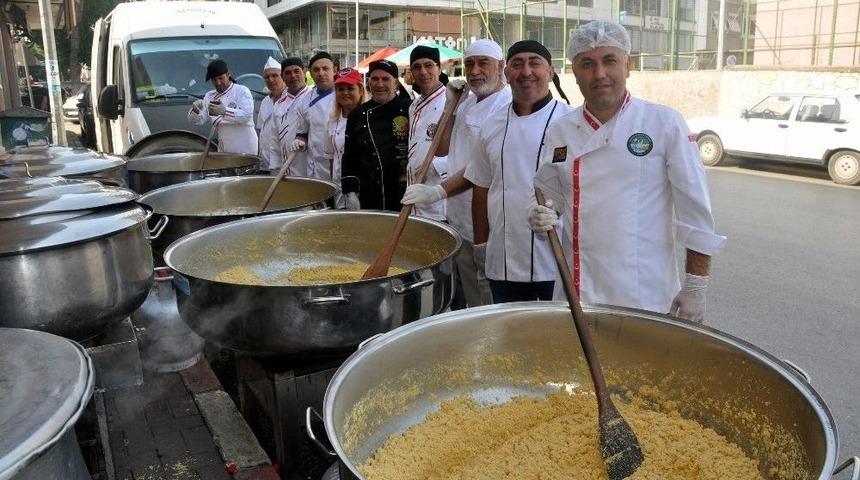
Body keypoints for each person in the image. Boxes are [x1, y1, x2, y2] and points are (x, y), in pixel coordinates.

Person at [527, 21, 726, 322]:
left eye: (609, 61)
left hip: (644, 297)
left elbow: (695, 213)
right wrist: (540, 214)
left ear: (628, 65)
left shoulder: (664, 123)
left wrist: (696, 287)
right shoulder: (561, 131)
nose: (599, 74)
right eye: (587, 64)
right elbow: (547, 195)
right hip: (576, 293)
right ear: (574, 72)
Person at [401, 39, 510, 308]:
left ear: (501, 67)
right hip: (458, 213)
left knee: (489, 299)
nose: (474, 71)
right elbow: (445, 147)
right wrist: (450, 108)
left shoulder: (505, 106)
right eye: (470, 64)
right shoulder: (466, 103)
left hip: (486, 218)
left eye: (483, 63)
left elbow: (481, 168)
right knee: (471, 294)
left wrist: (438, 189)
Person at [462, 40, 574, 303]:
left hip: (556, 261)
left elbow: (588, 189)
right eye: (517, 64)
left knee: (557, 338)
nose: (526, 72)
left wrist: (557, 211)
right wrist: (481, 247)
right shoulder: (492, 125)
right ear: (506, 72)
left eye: (535, 63)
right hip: (503, 261)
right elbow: (481, 187)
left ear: (551, 71)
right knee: (511, 339)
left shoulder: (571, 122)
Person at [340, 59, 412, 211]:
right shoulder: (357, 114)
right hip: (370, 193)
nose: (379, 84)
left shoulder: (410, 109)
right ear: (369, 82)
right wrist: (350, 191)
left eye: (385, 79)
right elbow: (349, 156)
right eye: (375, 79)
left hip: (405, 193)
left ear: (396, 83)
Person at [404, 45, 449, 222]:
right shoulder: (413, 106)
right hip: (415, 189)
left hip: (438, 193)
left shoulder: (452, 101)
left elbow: (465, 151)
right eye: (417, 66)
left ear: (439, 68)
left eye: (428, 65)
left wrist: (435, 167)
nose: (423, 71)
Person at [187, 59, 257, 154]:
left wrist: (225, 111)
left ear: (228, 74)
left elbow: (246, 115)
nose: (218, 83)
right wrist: (195, 110)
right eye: (214, 80)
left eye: (221, 78)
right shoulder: (209, 96)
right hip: (224, 146)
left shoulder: (242, 91)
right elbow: (198, 121)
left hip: (244, 144)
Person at [324, 67, 367, 208]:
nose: (345, 93)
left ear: (360, 91)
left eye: (350, 88)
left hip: (363, 189)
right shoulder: (332, 121)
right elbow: (331, 159)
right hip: (339, 189)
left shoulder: (368, 118)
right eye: (340, 89)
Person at [292, 52, 336, 180]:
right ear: (310, 74)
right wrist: (300, 141)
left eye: (325, 68)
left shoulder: (344, 95)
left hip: (339, 164)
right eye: (316, 70)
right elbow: (303, 133)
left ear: (334, 70)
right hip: (315, 166)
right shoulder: (304, 100)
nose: (321, 73)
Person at [272, 57, 310, 176]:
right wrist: (274, 168)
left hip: (310, 168)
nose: (293, 76)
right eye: (288, 73)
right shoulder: (278, 104)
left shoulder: (312, 98)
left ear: (304, 72)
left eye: (296, 71)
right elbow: (274, 140)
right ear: (282, 77)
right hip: (286, 170)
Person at [256, 56, 287, 173]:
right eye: (267, 77)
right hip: (266, 162)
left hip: (285, 162)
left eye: (275, 75)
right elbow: (261, 131)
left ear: (283, 77)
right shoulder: (265, 101)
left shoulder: (291, 100)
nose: (271, 79)